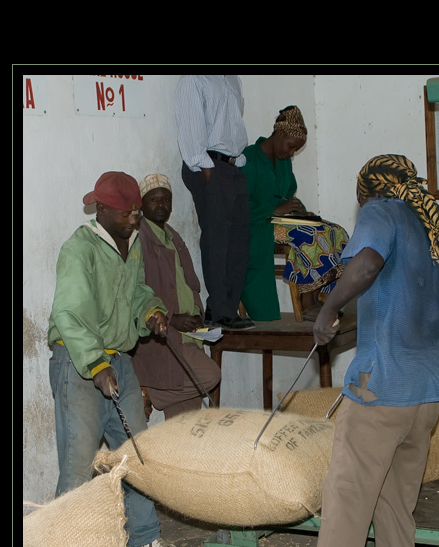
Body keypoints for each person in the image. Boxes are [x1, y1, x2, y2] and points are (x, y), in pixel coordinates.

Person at [302, 154, 439, 547]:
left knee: (348, 496)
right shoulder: (436, 227)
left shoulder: (383, 211)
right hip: (426, 393)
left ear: (368, 191)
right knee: (397, 498)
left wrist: (329, 310)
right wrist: (367, 323)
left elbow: (369, 262)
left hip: (381, 388)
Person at [48, 170, 181, 547]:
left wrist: (151, 311)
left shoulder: (132, 243)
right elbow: (70, 314)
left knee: (134, 455)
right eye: (126, 214)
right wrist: (94, 363)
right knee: (77, 465)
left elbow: (136, 291)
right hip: (79, 362)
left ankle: (142, 539)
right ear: (101, 209)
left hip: (118, 361)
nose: (135, 220)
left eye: (137, 213)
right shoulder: (79, 250)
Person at [240, 105, 349, 322]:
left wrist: (302, 213)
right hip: (257, 225)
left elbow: (288, 197)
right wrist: (273, 210)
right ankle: (307, 303)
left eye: (295, 151)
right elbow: (237, 208)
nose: (291, 154)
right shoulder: (249, 160)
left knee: (336, 231)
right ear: (279, 134)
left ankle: (322, 298)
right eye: (290, 147)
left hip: (280, 222)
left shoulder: (283, 163)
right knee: (309, 235)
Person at [131, 173, 221, 419]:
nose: (161, 205)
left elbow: (187, 284)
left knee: (184, 425)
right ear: (142, 204)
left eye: (166, 200)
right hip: (165, 335)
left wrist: (196, 314)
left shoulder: (173, 237)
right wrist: (172, 318)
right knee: (211, 375)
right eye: (154, 199)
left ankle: (174, 457)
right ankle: (148, 393)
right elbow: (138, 292)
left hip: (189, 334)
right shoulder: (139, 238)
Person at [175, 74, 254, 330]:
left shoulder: (232, 79)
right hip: (208, 167)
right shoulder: (194, 79)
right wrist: (209, 172)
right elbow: (191, 129)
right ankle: (220, 312)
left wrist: (233, 165)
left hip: (232, 167)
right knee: (217, 243)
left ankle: (226, 308)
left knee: (239, 244)